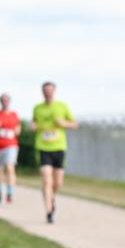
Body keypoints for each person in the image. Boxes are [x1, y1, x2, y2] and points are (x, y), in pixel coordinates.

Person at [29, 81, 77, 224]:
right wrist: (33, 126)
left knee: (58, 183)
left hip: (59, 147)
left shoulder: (62, 106)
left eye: (50, 90)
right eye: (45, 90)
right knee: (46, 179)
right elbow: (33, 123)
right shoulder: (37, 108)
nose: (47, 93)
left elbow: (75, 124)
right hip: (43, 147)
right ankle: (49, 212)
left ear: (54, 91)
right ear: (42, 92)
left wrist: (64, 124)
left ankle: (51, 196)